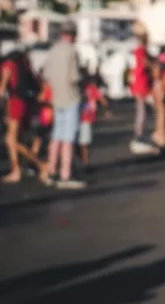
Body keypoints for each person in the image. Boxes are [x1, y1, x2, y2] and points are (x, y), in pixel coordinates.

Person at [40, 25, 85, 189]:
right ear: (73, 35)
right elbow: (75, 77)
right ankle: (65, 174)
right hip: (71, 97)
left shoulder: (52, 51)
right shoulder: (72, 51)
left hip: (56, 98)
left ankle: (52, 170)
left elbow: (45, 74)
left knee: (56, 135)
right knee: (68, 138)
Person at [1, 49, 43, 182]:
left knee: (11, 140)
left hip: (14, 103)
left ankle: (40, 165)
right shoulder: (22, 66)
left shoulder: (7, 66)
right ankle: (17, 169)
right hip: (24, 103)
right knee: (14, 139)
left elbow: (2, 89)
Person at [128, 26, 157, 154]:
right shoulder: (140, 50)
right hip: (141, 82)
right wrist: (154, 65)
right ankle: (139, 134)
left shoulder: (140, 50)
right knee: (142, 110)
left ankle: (141, 133)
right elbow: (144, 63)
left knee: (144, 109)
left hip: (140, 82)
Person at [77, 74, 107, 171]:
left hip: (79, 118)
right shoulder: (91, 89)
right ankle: (85, 163)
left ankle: (83, 161)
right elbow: (102, 100)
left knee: (81, 142)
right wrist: (106, 109)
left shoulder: (80, 89)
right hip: (85, 118)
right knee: (84, 142)